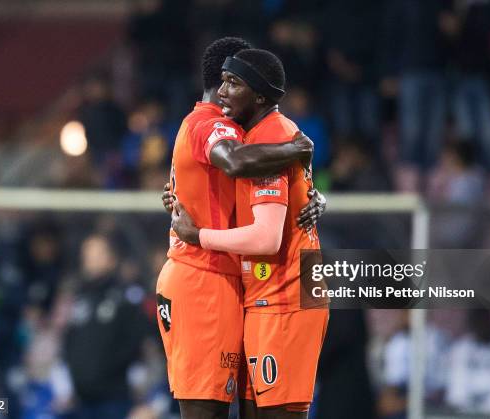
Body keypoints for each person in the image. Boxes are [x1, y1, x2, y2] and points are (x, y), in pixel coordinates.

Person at [156, 37, 326, 419]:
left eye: (237, 82)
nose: (226, 90)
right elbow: (235, 163)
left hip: (276, 292)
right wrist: (299, 151)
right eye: (226, 80)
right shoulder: (218, 128)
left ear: (260, 95)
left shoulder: (262, 134)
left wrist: (311, 193)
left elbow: (268, 229)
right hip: (211, 281)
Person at [64, 233, 150, 419]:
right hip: (81, 397)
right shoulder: (79, 296)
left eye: (97, 255)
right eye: (87, 255)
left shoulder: (126, 297)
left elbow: (134, 343)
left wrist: (105, 372)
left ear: (112, 259)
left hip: (114, 397)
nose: (90, 260)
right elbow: (69, 340)